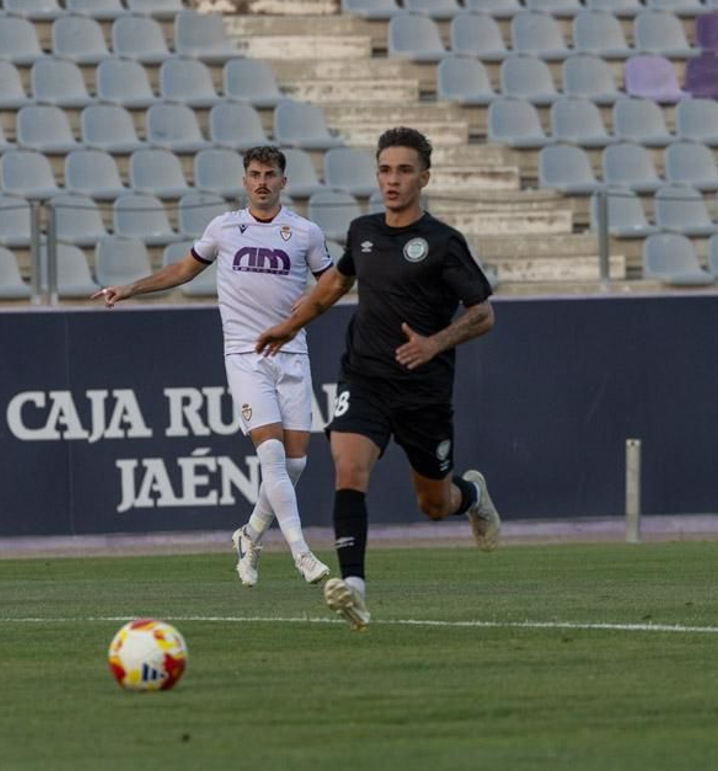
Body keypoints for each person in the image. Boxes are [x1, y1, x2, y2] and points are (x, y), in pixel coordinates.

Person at [256, 126, 500, 631]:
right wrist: (288, 326)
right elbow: (332, 288)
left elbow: (483, 314)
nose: (392, 180)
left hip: (423, 391)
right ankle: (355, 589)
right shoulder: (364, 232)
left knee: (435, 504)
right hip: (364, 377)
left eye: (404, 170)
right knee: (349, 469)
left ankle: (471, 497)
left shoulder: (443, 243)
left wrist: (433, 343)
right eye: (385, 169)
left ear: (424, 178)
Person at [93, 145, 333, 588]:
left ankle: (250, 534)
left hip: (294, 354)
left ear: (284, 182)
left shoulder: (305, 233)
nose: (262, 182)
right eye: (255, 174)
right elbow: (183, 270)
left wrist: (315, 301)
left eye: (270, 174)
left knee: (296, 464)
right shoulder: (225, 228)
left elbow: (332, 283)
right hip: (245, 355)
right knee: (273, 455)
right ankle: (302, 554)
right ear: (244, 181)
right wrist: (129, 288)